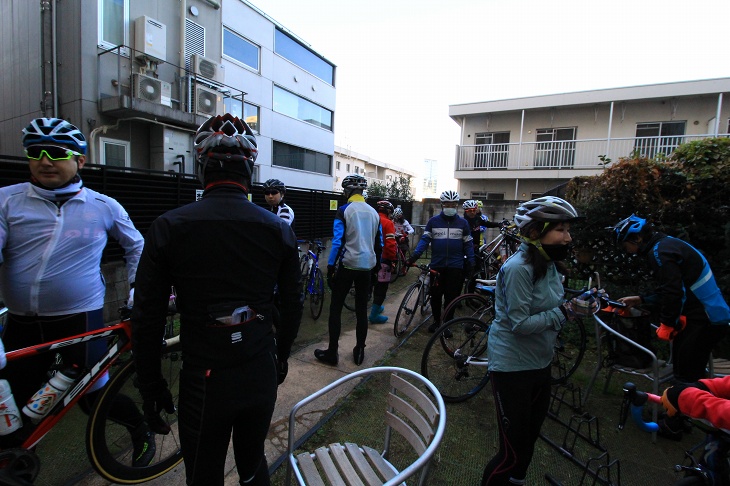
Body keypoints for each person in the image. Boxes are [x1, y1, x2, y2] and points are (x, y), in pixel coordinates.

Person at [131, 113, 302, 485]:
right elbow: (292, 304)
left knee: (204, 473)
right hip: (259, 365)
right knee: (253, 463)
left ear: (201, 168)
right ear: (250, 171)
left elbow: (147, 315)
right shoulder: (277, 229)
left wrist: (151, 385)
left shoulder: (169, 226)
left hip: (204, 376)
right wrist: (282, 354)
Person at [0, 118, 151, 463]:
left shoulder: (102, 205)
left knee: (93, 395)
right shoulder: (7, 201)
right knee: (12, 402)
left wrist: (135, 290)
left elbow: (136, 246)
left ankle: (139, 429)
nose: (44, 160)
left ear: (80, 160)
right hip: (22, 321)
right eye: (35, 152)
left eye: (56, 152)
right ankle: (18, 463)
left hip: (80, 319)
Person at [481, 196, 585, 486]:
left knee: (528, 442)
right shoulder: (518, 269)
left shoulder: (549, 264)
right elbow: (519, 324)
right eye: (561, 230)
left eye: (567, 230)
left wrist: (577, 306)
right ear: (536, 232)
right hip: (511, 368)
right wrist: (566, 312)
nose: (568, 237)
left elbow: (552, 308)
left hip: (540, 363)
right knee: (511, 453)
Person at [613, 214, 729, 439]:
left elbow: (674, 293)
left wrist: (667, 323)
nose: (626, 250)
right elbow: (675, 287)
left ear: (636, 238)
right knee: (686, 370)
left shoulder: (659, 253)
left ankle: (674, 425)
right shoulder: (665, 245)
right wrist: (641, 299)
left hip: (705, 319)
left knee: (686, 374)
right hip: (704, 316)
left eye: (625, 244)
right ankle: (678, 414)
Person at [315, 174, 381, 366]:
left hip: (347, 263)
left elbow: (337, 242)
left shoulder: (344, 210)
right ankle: (359, 350)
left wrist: (330, 266)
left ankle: (332, 352)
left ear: (348, 191)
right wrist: (376, 269)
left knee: (335, 308)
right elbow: (380, 243)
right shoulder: (374, 212)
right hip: (367, 265)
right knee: (361, 310)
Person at [406, 190, 475, 332]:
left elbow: (468, 244)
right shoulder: (433, 222)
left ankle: (447, 325)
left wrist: (471, 262)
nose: (450, 206)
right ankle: (437, 321)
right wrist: (414, 256)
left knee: (452, 298)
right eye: (447, 203)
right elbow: (424, 241)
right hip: (437, 266)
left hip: (456, 266)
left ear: (456, 205)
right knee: (436, 296)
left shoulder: (463, 223)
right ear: (442, 204)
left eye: (453, 204)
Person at [369, 200, 397, 324]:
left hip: (369, 258)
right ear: (389, 211)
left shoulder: (370, 220)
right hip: (383, 259)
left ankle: (377, 307)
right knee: (382, 286)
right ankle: (374, 315)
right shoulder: (388, 223)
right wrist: (393, 259)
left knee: (371, 283)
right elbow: (390, 245)